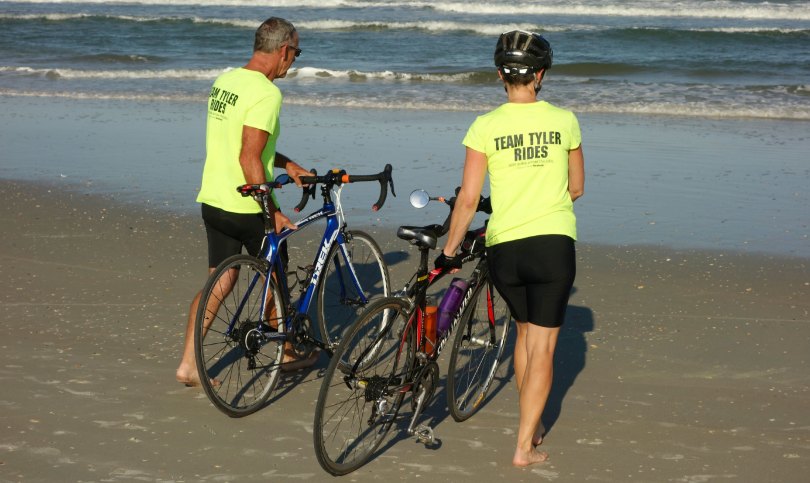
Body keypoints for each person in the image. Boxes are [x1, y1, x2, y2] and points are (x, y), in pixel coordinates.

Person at [435, 30, 585, 467]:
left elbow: (467, 198)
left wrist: (450, 250)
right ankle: (524, 446)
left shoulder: (485, 125)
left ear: (500, 73)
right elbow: (576, 187)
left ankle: (531, 423)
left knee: (523, 334)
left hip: (505, 249)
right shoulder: (565, 120)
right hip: (552, 245)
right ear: (540, 75)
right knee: (544, 348)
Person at [175, 17, 316, 386]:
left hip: (214, 199)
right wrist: (274, 214)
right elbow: (249, 158)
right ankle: (285, 354)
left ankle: (189, 365)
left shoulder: (226, 81)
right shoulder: (267, 93)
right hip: (246, 206)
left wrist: (287, 164)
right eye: (296, 53)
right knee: (276, 281)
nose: (294, 61)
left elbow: (246, 143)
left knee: (219, 282)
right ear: (283, 50)